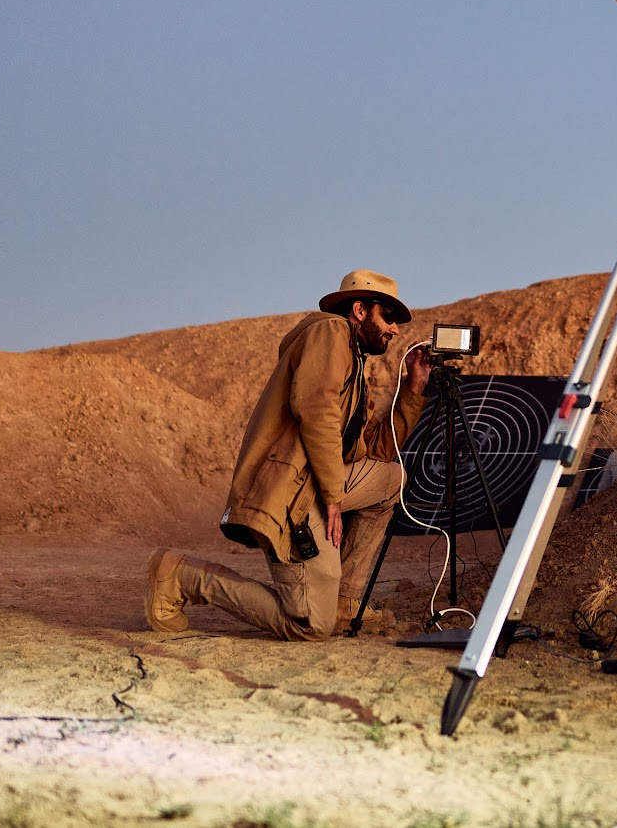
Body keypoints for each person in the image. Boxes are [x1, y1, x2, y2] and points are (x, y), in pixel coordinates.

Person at [144, 269, 431, 640]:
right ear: (360, 310)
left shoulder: (353, 360)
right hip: (293, 492)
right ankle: (181, 575)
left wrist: (413, 388)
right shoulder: (330, 332)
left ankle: (345, 604)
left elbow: (375, 448)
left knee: (392, 479)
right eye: (389, 317)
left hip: (315, 480)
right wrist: (333, 497)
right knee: (309, 626)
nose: (394, 330)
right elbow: (317, 412)